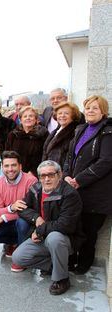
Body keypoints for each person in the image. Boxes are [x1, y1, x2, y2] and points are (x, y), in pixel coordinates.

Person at [13, 160, 83, 295]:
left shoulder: (69, 194)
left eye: (51, 175)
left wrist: (39, 230)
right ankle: (56, 265)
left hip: (66, 238)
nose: (46, 179)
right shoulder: (35, 189)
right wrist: (36, 218)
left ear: (59, 175)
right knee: (18, 257)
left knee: (54, 237)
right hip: (44, 235)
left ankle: (62, 279)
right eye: (43, 176)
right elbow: (22, 208)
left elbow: (65, 225)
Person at [63, 95, 112, 275]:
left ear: (103, 112)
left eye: (95, 108)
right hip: (75, 189)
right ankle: (71, 258)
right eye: (88, 107)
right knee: (74, 226)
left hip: (96, 193)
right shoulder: (81, 129)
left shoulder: (108, 132)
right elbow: (70, 157)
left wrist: (79, 179)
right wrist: (67, 175)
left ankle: (84, 262)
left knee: (89, 231)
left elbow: (106, 161)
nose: (90, 111)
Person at [0, 151, 37, 272]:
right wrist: (11, 208)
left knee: (22, 222)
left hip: (27, 222)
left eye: (13, 165)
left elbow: (30, 210)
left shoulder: (31, 181)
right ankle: (14, 243)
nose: (10, 169)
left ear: (20, 166)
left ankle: (22, 257)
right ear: (2, 167)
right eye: (6, 166)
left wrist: (4, 217)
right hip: (10, 222)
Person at [5, 106, 49, 176]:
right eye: (25, 116)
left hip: (35, 173)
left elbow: (45, 155)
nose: (28, 118)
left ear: (36, 119)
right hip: (14, 172)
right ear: (21, 119)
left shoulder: (43, 134)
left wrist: (33, 171)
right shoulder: (13, 134)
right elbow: (7, 153)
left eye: (31, 116)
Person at [42, 102, 81, 166]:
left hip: (61, 172)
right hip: (49, 170)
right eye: (60, 113)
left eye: (66, 113)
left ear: (73, 116)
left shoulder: (75, 132)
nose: (62, 115)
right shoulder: (55, 131)